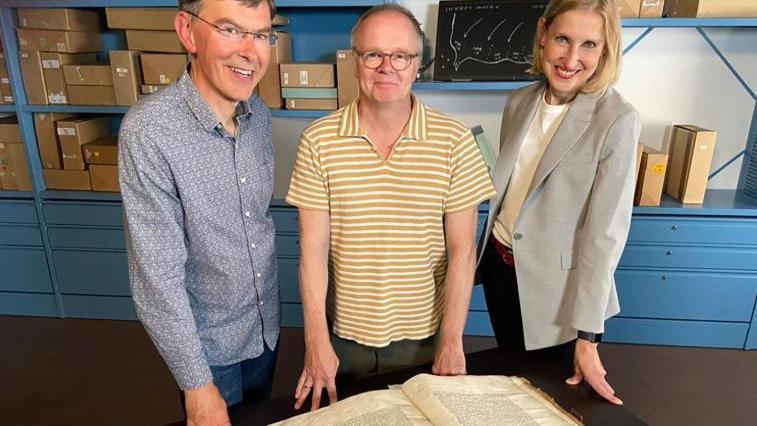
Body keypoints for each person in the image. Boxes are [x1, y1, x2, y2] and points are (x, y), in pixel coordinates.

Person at [285, 4, 496, 412]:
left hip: (423, 338)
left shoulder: (454, 142)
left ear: (417, 64)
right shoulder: (318, 141)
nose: (388, 66)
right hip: (344, 339)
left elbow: (462, 252)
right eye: (373, 54)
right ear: (355, 61)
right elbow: (311, 254)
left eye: (401, 56)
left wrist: (451, 342)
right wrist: (316, 342)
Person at [118, 0, 280, 423]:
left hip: (265, 331)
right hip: (209, 350)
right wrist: (196, 383)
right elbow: (157, 276)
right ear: (188, 32)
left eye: (261, 34)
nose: (251, 51)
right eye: (230, 29)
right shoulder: (149, 131)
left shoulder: (258, 115)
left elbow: (257, 224)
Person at [477, 0, 640, 406]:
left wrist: (588, 335)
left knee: (552, 402)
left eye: (589, 45)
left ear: (605, 51)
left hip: (558, 294)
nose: (571, 58)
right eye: (563, 40)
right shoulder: (519, 102)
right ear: (543, 34)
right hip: (501, 269)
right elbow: (516, 191)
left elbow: (604, 236)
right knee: (511, 382)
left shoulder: (617, 119)